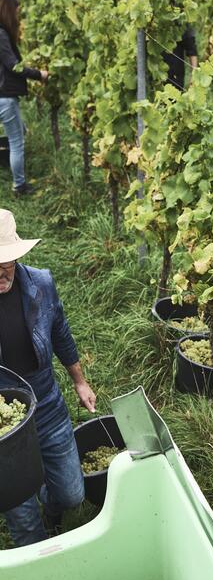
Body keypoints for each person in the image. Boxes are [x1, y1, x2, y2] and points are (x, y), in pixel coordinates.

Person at [0, 209, 96, 547]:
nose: (0, 272)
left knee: (71, 494)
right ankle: (43, 566)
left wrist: (79, 381)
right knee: (25, 523)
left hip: (48, 405)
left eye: (6, 262)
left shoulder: (40, 283)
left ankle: (50, 503)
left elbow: (60, 333)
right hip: (5, 427)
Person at [0, 0, 48, 196]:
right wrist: (39, 74)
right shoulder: (1, 34)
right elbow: (13, 66)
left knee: (20, 129)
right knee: (16, 142)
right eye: (16, 13)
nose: (18, 17)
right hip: (5, 98)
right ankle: (19, 186)